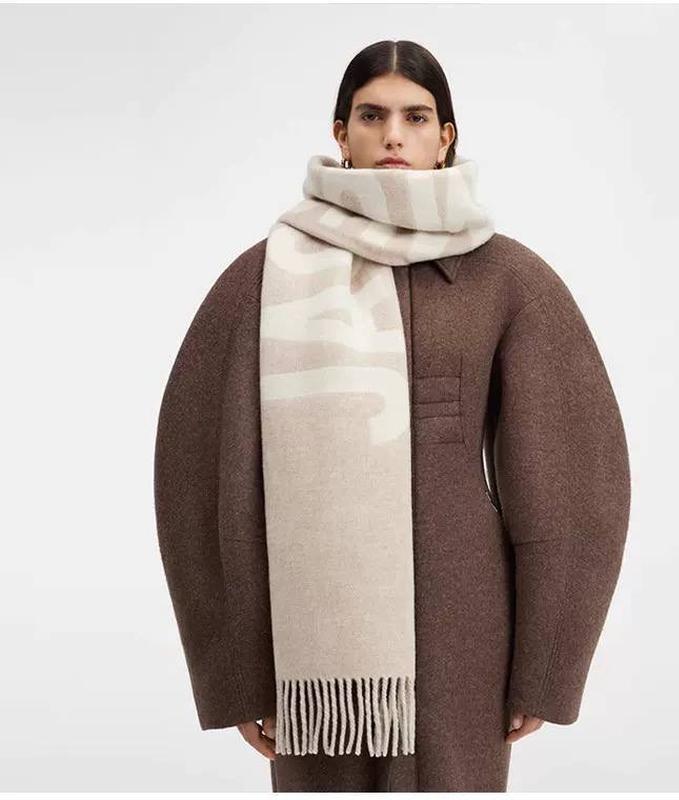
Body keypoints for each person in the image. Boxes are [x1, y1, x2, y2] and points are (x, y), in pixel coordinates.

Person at [154, 39, 631, 793]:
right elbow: (197, 485)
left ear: (445, 138)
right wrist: (235, 675)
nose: (394, 136)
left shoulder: (506, 277)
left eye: (416, 117)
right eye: (372, 116)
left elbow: (572, 482)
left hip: (464, 627)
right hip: (308, 649)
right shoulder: (265, 279)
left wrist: (547, 666)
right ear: (340, 134)